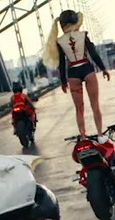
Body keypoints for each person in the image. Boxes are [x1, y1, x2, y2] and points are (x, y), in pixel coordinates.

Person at [43, 10, 110, 138]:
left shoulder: (60, 41)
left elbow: (62, 63)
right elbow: (93, 54)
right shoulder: (83, 35)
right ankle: (100, 135)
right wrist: (103, 69)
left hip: (73, 73)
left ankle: (83, 137)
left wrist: (63, 81)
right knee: (95, 105)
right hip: (87, 68)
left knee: (79, 109)